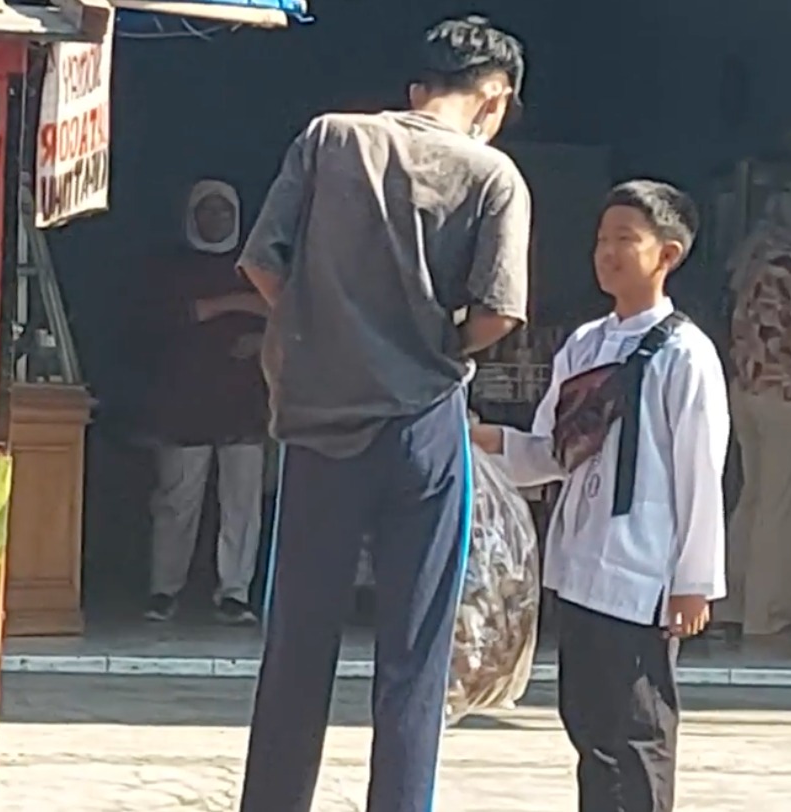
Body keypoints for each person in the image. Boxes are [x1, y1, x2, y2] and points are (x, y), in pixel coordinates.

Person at [233, 16, 530, 812]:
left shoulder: (331, 138)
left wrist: (320, 328)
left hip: (319, 418)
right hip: (422, 426)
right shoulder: (493, 175)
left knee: (297, 644)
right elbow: (499, 313)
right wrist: (433, 346)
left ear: (417, 87)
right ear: (495, 96)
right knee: (414, 653)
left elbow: (262, 262)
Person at [472, 180, 730, 812]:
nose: (608, 253)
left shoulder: (685, 354)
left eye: (625, 239)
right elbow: (549, 452)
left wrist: (694, 581)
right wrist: (485, 441)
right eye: (601, 239)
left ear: (667, 254)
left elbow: (700, 470)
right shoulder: (585, 345)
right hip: (580, 563)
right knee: (588, 724)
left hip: (642, 571)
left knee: (637, 728)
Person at [133, 179, 269, 626]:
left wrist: (259, 337)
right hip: (185, 399)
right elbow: (173, 316)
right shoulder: (171, 268)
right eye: (206, 211)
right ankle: (164, 589)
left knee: (242, 503)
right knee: (177, 499)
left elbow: (285, 314)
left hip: (244, 401)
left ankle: (235, 593)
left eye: (224, 211)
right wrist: (241, 302)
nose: (216, 220)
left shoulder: (255, 263)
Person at [718, 179, 791, 643]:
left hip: (746, 390)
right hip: (786, 394)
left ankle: (732, 605)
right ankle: (771, 617)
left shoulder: (752, 262)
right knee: (782, 507)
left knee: (754, 499)